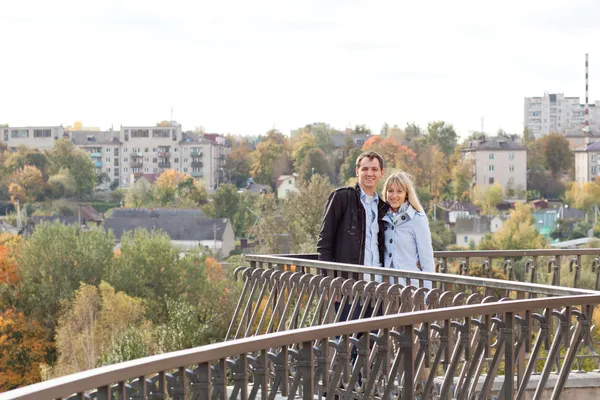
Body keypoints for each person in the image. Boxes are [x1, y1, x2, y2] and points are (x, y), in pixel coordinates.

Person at [317, 150, 389, 319]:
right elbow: (324, 243)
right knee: (346, 342)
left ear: (381, 173)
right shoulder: (342, 198)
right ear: (357, 171)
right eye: (364, 169)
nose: (369, 173)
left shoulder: (384, 208)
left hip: (378, 288)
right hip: (348, 286)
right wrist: (328, 281)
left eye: (374, 169)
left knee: (375, 342)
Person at [381, 171, 434, 288]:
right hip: (385, 288)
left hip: (410, 287)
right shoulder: (380, 218)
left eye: (399, 191)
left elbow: (427, 261)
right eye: (390, 191)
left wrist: (427, 295)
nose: (394, 196)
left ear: (406, 194)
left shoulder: (417, 219)